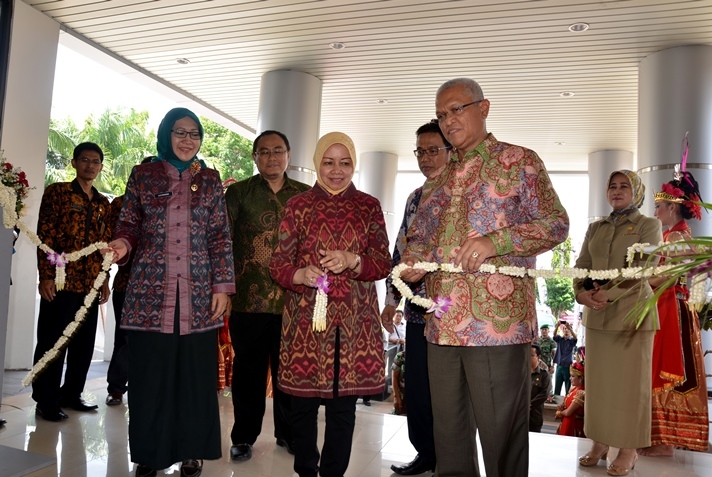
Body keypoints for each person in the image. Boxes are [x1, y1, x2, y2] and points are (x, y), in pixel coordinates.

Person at [401, 78, 569, 477]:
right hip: (440, 326)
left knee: (501, 436)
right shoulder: (436, 182)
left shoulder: (519, 160)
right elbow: (418, 241)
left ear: (484, 107)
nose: (448, 120)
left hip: (497, 325)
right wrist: (414, 263)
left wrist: (498, 240)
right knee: (450, 437)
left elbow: (556, 224)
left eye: (457, 109)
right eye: (442, 114)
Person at [107, 107, 235, 477]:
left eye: (194, 134)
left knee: (194, 378)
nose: (187, 140)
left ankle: (192, 451)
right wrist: (121, 245)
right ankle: (150, 453)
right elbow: (129, 223)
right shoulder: (143, 175)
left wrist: (223, 286)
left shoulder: (209, 180)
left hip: (198, 296)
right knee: (151, 378)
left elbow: (219, 236)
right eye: (180, 132)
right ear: (166, 134)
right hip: (150, 293)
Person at [269, 131, 391, 477]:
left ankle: (334, 473)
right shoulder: (298, 205)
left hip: (354, 327)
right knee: (302, 408)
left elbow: (382, 264)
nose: (336, 170)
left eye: (345, 162)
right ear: (316, 163)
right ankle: (306, 469)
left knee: (343, 410)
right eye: (328, 162)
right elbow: (278, 265)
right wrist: (300, 274)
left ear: (354, 165)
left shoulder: (368, 206)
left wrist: (354, 260)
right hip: (307, 322)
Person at [224, 130, 310, 462]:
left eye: (278, 151)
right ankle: (243, 436)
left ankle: (288, 434)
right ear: (254, 157)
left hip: (295, 301)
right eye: (263, 152)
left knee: (289, 372)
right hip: (248, 300)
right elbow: (223, 245)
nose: (271, 157)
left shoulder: (305, 196)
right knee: (248, 372)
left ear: (289, 154)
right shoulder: (238, 193)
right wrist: (225, 290)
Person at [573, 169, 662, 476]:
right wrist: (581, 294)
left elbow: (644, 267)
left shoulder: (648, 225)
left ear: (636, 191)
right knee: (597, 386)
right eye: (612, 186)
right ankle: (599, 443)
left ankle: (628, 450)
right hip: (597, 315)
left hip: (631, 316)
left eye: (624, 186)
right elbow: (582, 264)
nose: (617, 190)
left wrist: (607, 295)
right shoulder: (596, 227)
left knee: (629, 388)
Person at [383, 119, 452, 476]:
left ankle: (453, 459)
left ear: (450, 150)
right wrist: (392, 300)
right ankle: (425, 453)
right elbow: (399, 249)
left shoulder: (462, 192)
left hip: (454, 313)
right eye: (420, 151)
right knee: (419, 387)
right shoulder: (415, 198)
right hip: (417, 312)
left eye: (433, 150)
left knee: (451, 393)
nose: (426, 158)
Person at [33, 142, 112, 421]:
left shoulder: (103, 203)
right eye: (84, 160)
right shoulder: (58, 193)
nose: (90, 165)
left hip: (90, 284)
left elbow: (106, 246)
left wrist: (104, 280)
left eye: (95, 161)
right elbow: (46, 236)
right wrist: (46, 275)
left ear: (100, 166)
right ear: (74, 162)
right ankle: (46, 399)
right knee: (53, 342)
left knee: (83, 344)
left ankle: (71, 393)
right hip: (62, 281)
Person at [638, 171, 709, 456]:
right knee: (656, 367)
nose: (655, 211)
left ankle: (664, 440)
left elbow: (664, 275)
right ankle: (656, 436)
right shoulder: (670, 235)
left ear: (672, 208)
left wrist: (634, 281)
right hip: (663, 303)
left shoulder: (678, 236)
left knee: (666, 369)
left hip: (671, 306)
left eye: (658, 206)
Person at [105, 156, 155, 406]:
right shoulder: (120, 204)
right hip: (127, 285)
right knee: (124, 338)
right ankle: (116, 387)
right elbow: (112, 242)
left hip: (159, 288)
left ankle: (148, 388)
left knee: (155, 342)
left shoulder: (168, 203)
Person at [556, 361, 585, 437]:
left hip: (574, 425)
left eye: (572, 376)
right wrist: (562, 408)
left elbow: (568, 412)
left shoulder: (581, 393)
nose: (570, 378)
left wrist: (559, 413)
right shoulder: (573, 389)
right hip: (567, 421)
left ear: (581, 378)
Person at [553, 320, 577, 397]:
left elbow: (575, 338)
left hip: (568, 367)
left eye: (568, 329)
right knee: (557, 386)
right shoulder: (560, 339)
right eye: (565, 329)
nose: (566, 330)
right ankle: (556, 403)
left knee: (568, 387)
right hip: (559, 366)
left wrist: (570, 328)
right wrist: (557, 326)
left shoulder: (572, 341)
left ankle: (567, 402)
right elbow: (554, 335)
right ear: (563, 331)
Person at [529, 344, 550, 433]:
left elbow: (544, 394)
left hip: (534, 415)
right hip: (520, 416)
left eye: (532, 356)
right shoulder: (521, 373)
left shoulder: (544, 375)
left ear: (538, 357)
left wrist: (528, 405)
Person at [538, 324, 556, 402]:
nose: (544, 331)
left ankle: (549, 397)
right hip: (538, 365)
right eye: (542, 329)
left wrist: (553, 366)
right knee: (538, 381)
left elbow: (554, 354)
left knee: (548, 381)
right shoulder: (537, 340)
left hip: (547, 365)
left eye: (545, 329)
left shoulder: (551, 342)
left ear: (548, 331)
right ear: (540, 331)